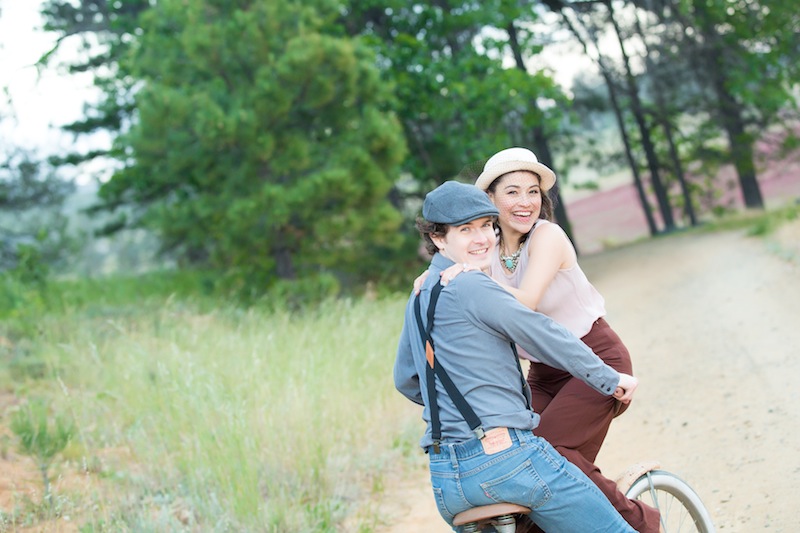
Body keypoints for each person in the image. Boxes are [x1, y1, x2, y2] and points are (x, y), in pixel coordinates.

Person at [425, 148, 660, 532]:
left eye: (533, 192)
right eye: (513, 192)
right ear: (489, 200)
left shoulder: (547, 236)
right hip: (541, 374)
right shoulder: (487, 249)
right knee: (521, 473)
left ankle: (642, 523)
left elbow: (526, 303)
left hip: (593, 359)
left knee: (547, 454)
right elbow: (445, 271)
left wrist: (467, 278)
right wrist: (434, 277)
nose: (526, 202)